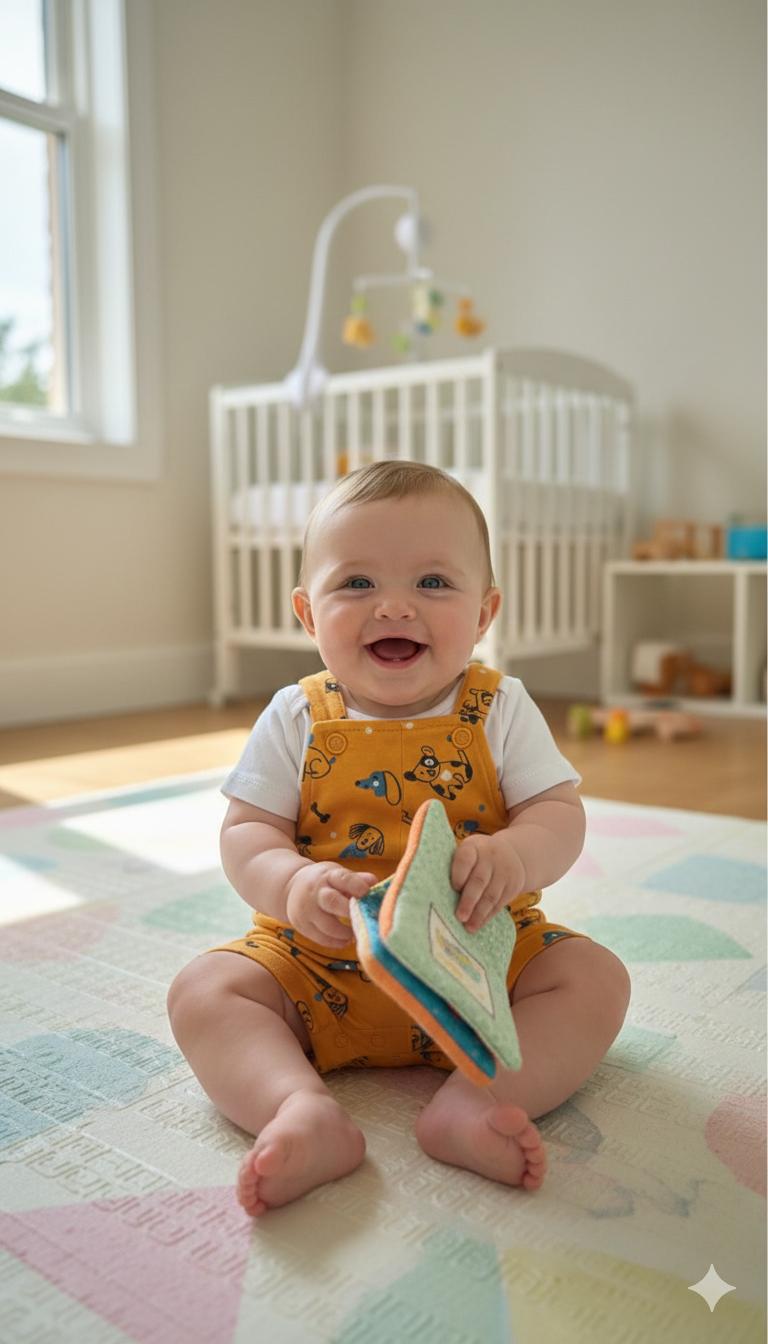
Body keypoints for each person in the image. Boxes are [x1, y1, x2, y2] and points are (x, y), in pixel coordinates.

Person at [167, 460, 631, 1217]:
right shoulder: (296, 715)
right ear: (308, 614)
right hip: (318, 966)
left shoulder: (500, 708)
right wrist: (290, 885)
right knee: (205, 992)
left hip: (479, 961)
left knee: (595, 979)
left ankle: (474, 1101)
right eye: (355, 584)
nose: (393, 607)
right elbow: (248, 831)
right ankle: (299, 1109)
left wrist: (514, 857)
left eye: (432, 584)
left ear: (484, 614)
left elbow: (560, 812)